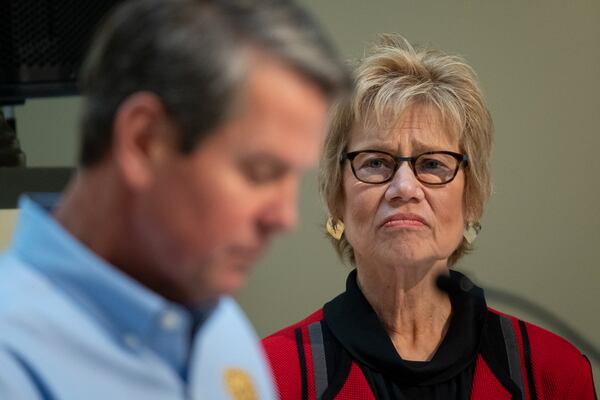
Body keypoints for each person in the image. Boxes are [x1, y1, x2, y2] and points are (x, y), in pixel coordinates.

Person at [0, 0, 348, 398]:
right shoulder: (11, 359)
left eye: (292, 178)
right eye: (260, 171)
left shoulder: (221, 330)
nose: (285, 218)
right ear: (145, 142)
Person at [262, 35, 597, 399]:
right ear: (336, 198)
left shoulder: (553, 373)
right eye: (376, 162)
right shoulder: (270, 376)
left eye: (433, 163)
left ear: (471, 198)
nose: (404, 188)